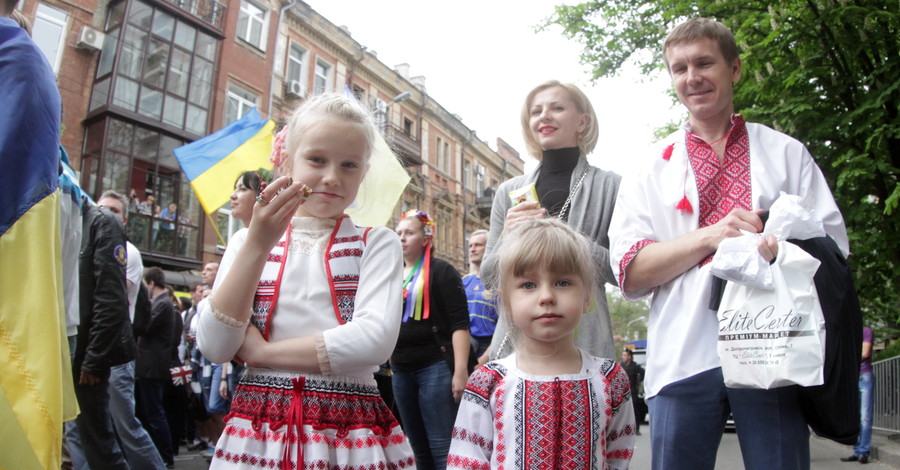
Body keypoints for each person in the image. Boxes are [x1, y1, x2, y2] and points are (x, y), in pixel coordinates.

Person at [608, 17, 849, 470]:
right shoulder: (648, 169)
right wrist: (713, 235)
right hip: (681, 356)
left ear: (734, 69)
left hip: (773, 353)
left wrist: (777, 244)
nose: (692, 77)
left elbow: (833, 249)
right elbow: (631, 272)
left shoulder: (785, 153)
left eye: (704, 63)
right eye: (679, 68)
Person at [196, 93, 414, 468]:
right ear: (285, 160)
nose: (332, 177)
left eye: (349, 165)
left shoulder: (376, 242)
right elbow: (215, 345)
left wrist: (260, 352)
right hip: (256, 432)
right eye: (317, 159)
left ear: (363, 174)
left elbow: (373, 340)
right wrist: (257, 245)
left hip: (345, 430)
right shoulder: (245, 243)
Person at [447, 218, 635, 469]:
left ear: (587, 295)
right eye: (528, 285)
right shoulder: (488, 382)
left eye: (562, 282)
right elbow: (466, 459)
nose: (546, 296)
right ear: (507, 303)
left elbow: (618, 456)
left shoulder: (611, 379)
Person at [482, 80, 620, 362]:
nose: (544, 116)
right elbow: (488, 277)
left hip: (587, 337)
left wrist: (567, 240)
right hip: (519, 342)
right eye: (536, 111)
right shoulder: (510, 191)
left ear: (583, 121)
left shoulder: (611, 186)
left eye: (557, 108)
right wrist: (508, 239)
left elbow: (622, 272)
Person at [392, 209, 471, 470]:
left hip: (434, 366)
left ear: (426, 238)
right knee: (416, 447)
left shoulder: (443, 271)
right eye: (399, 232)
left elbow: (460, 324)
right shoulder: (392, 274)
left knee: (441, 446)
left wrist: (460, 372)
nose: (402, 238)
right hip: (401, 369)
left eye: (409, 233)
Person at [98, 191, 168, 469]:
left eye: (113, 211)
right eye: (101, 209)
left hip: (116, 351)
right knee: (78, 427)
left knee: (124, 423)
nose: (106, 214)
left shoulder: (128, 252)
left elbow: (109, 292)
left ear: (123, 219)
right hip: (86, 347)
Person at [68, 202, 136, 470]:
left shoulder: (100, 222)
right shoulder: (63, 218)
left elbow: (110, 299)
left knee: (99, 441)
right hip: (66, 347)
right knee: (78, 437)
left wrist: (94, 359)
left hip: (85, 350)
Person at [139, 267, 179, 466]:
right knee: (151, 412)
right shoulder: (162, 303)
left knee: (155, 412)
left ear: (151, 283)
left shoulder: (162, 304)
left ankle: (164, 455)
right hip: (149, 366)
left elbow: (144, 326)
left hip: (151, 366)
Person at [462, 229, 498, 364]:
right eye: (470, 245)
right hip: (467, 343)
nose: (472, 249)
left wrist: (486, 357)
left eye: (478, 245)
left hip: (489, 345)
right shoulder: (463, 282)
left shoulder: (498, 283)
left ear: (489, 247)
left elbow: (505, 323)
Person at [842, 326, 875, 464]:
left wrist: (848, 360)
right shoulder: (848, 333)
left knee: (865, 417)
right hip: (852, 376)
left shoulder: (865, 331)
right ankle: (857, 450)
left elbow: (865, 353)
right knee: (855, 416)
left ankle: (863, 451)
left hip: (864, 376)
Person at [620, 348, 646, 435]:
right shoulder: (621, 366)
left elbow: (643, 372)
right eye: (623, 355)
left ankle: (636, 429)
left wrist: (640, 381)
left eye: (625, 355)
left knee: (635, 411)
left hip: (633, 391)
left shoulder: (635, 366)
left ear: (629, 356)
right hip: (623, 392)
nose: (623, 357)